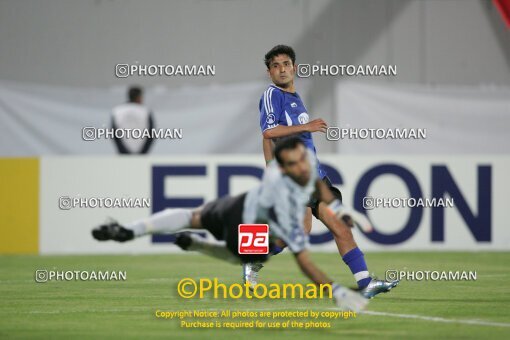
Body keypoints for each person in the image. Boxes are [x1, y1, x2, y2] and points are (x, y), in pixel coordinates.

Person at [91, 137, 375, 311]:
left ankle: (134, 229)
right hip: (245, 221)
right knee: (240, 247)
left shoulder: (294, 178)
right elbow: (306, 263)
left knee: (195, 218)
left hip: (237, 211)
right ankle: (209, 247)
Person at [248, 45, 398, 298]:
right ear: (269, 72)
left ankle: (365, 283)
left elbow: (274, 136)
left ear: (294, 67)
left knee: (336, 228)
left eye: (286, 64)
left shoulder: (295, 98)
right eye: (276, 66)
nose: (282, 69)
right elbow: (268, 132)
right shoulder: (272, 95)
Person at [111, 86, 154, 154]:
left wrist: (122, 151)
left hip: (123, 151)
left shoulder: (117, 111)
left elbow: (114, 133)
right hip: (141, 150)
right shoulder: (145, 111)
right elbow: (151, 133)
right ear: (139, 97)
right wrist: (143, 152)